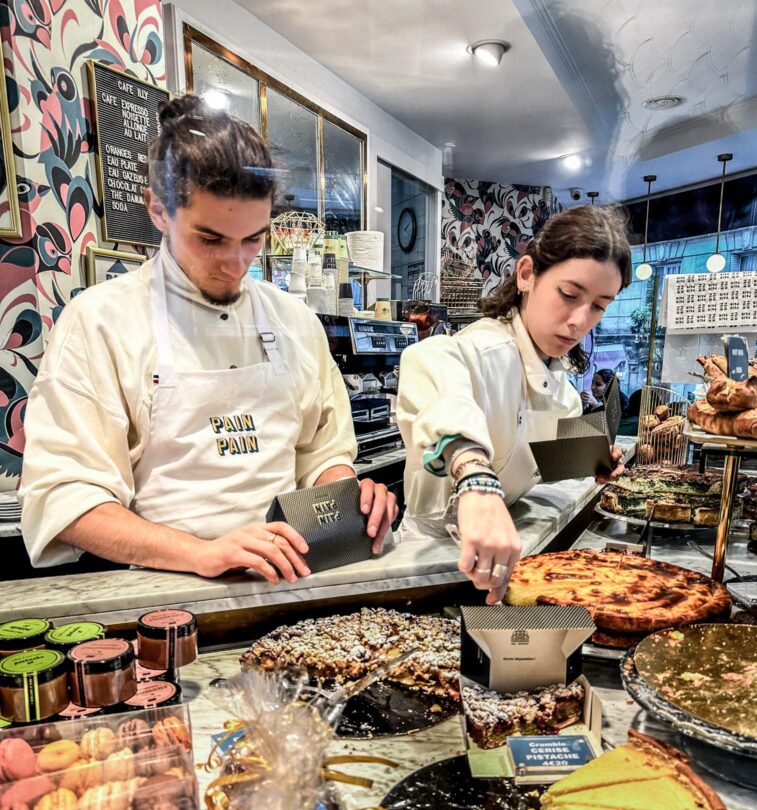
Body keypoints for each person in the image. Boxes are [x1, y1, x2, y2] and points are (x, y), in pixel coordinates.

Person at [20, 95, 397, 580]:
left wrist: (347, 498)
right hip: (163, 602)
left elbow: (321, 453)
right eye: (211, 239)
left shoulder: (295, 322)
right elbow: (67, 498)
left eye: (253, 239)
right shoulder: (99, 322)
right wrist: (201, 552)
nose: (236, 263)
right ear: (158, 208)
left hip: (291, 586)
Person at [397, 205, 631, 604]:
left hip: (509, 560)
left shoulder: (560, 383)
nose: (580, 321)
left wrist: (593, 459)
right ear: (526, 274)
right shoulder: (486, 348)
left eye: (598, 306)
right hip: (433, 566)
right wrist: (475, 480)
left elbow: (544, 457)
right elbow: (431, 362)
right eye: (569, 295)